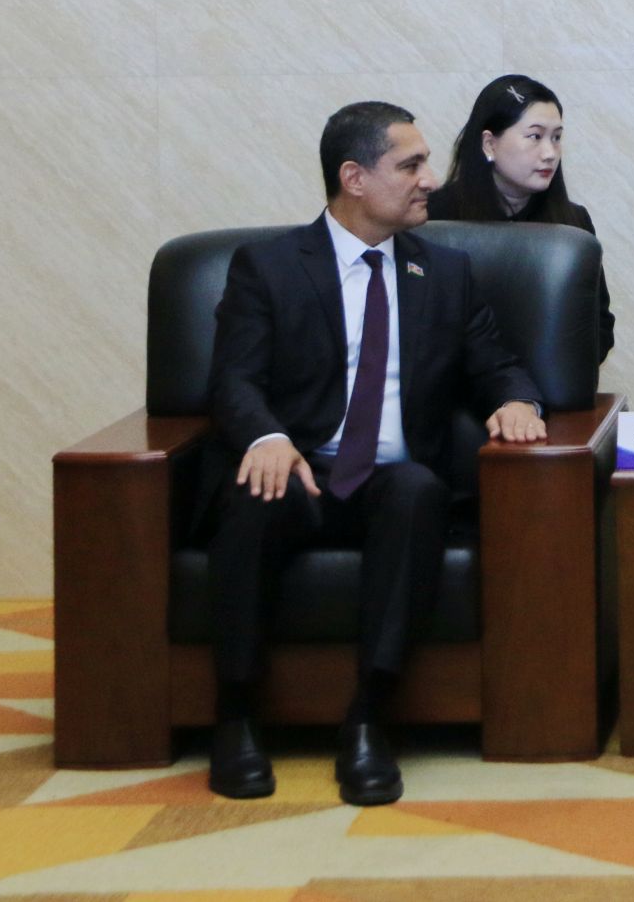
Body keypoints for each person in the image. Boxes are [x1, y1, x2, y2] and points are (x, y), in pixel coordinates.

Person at [204, 101, 547, 806]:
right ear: (354, 178)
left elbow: (498, 365)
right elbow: (234, 380)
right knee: (258, 490)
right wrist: (269, 438)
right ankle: (236, 716)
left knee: (417, 490)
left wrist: (519, 401)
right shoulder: (268, 269)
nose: (431, 180)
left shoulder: (444, 273)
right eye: (410, 165)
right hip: (300, 470)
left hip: (393, 480)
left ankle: (368, 717)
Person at [428, 75, 614, 363]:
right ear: (489, 144)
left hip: (549, 386)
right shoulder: (433, 216)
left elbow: (598, 324)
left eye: (556, 137)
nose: (550, 154)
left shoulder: (574, 222)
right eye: (535, 137)